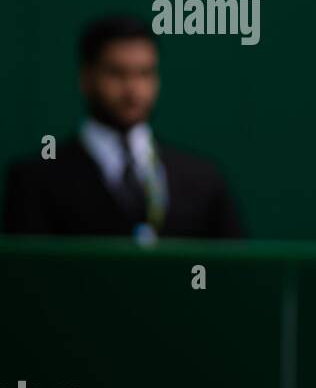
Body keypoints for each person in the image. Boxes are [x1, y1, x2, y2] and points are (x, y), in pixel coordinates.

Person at [3, 14, 244, 239]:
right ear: (86, 78)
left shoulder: (202, 178)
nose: (132, 89)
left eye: (144, 73)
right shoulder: (36, 181)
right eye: (116, 73)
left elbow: (235, 272)